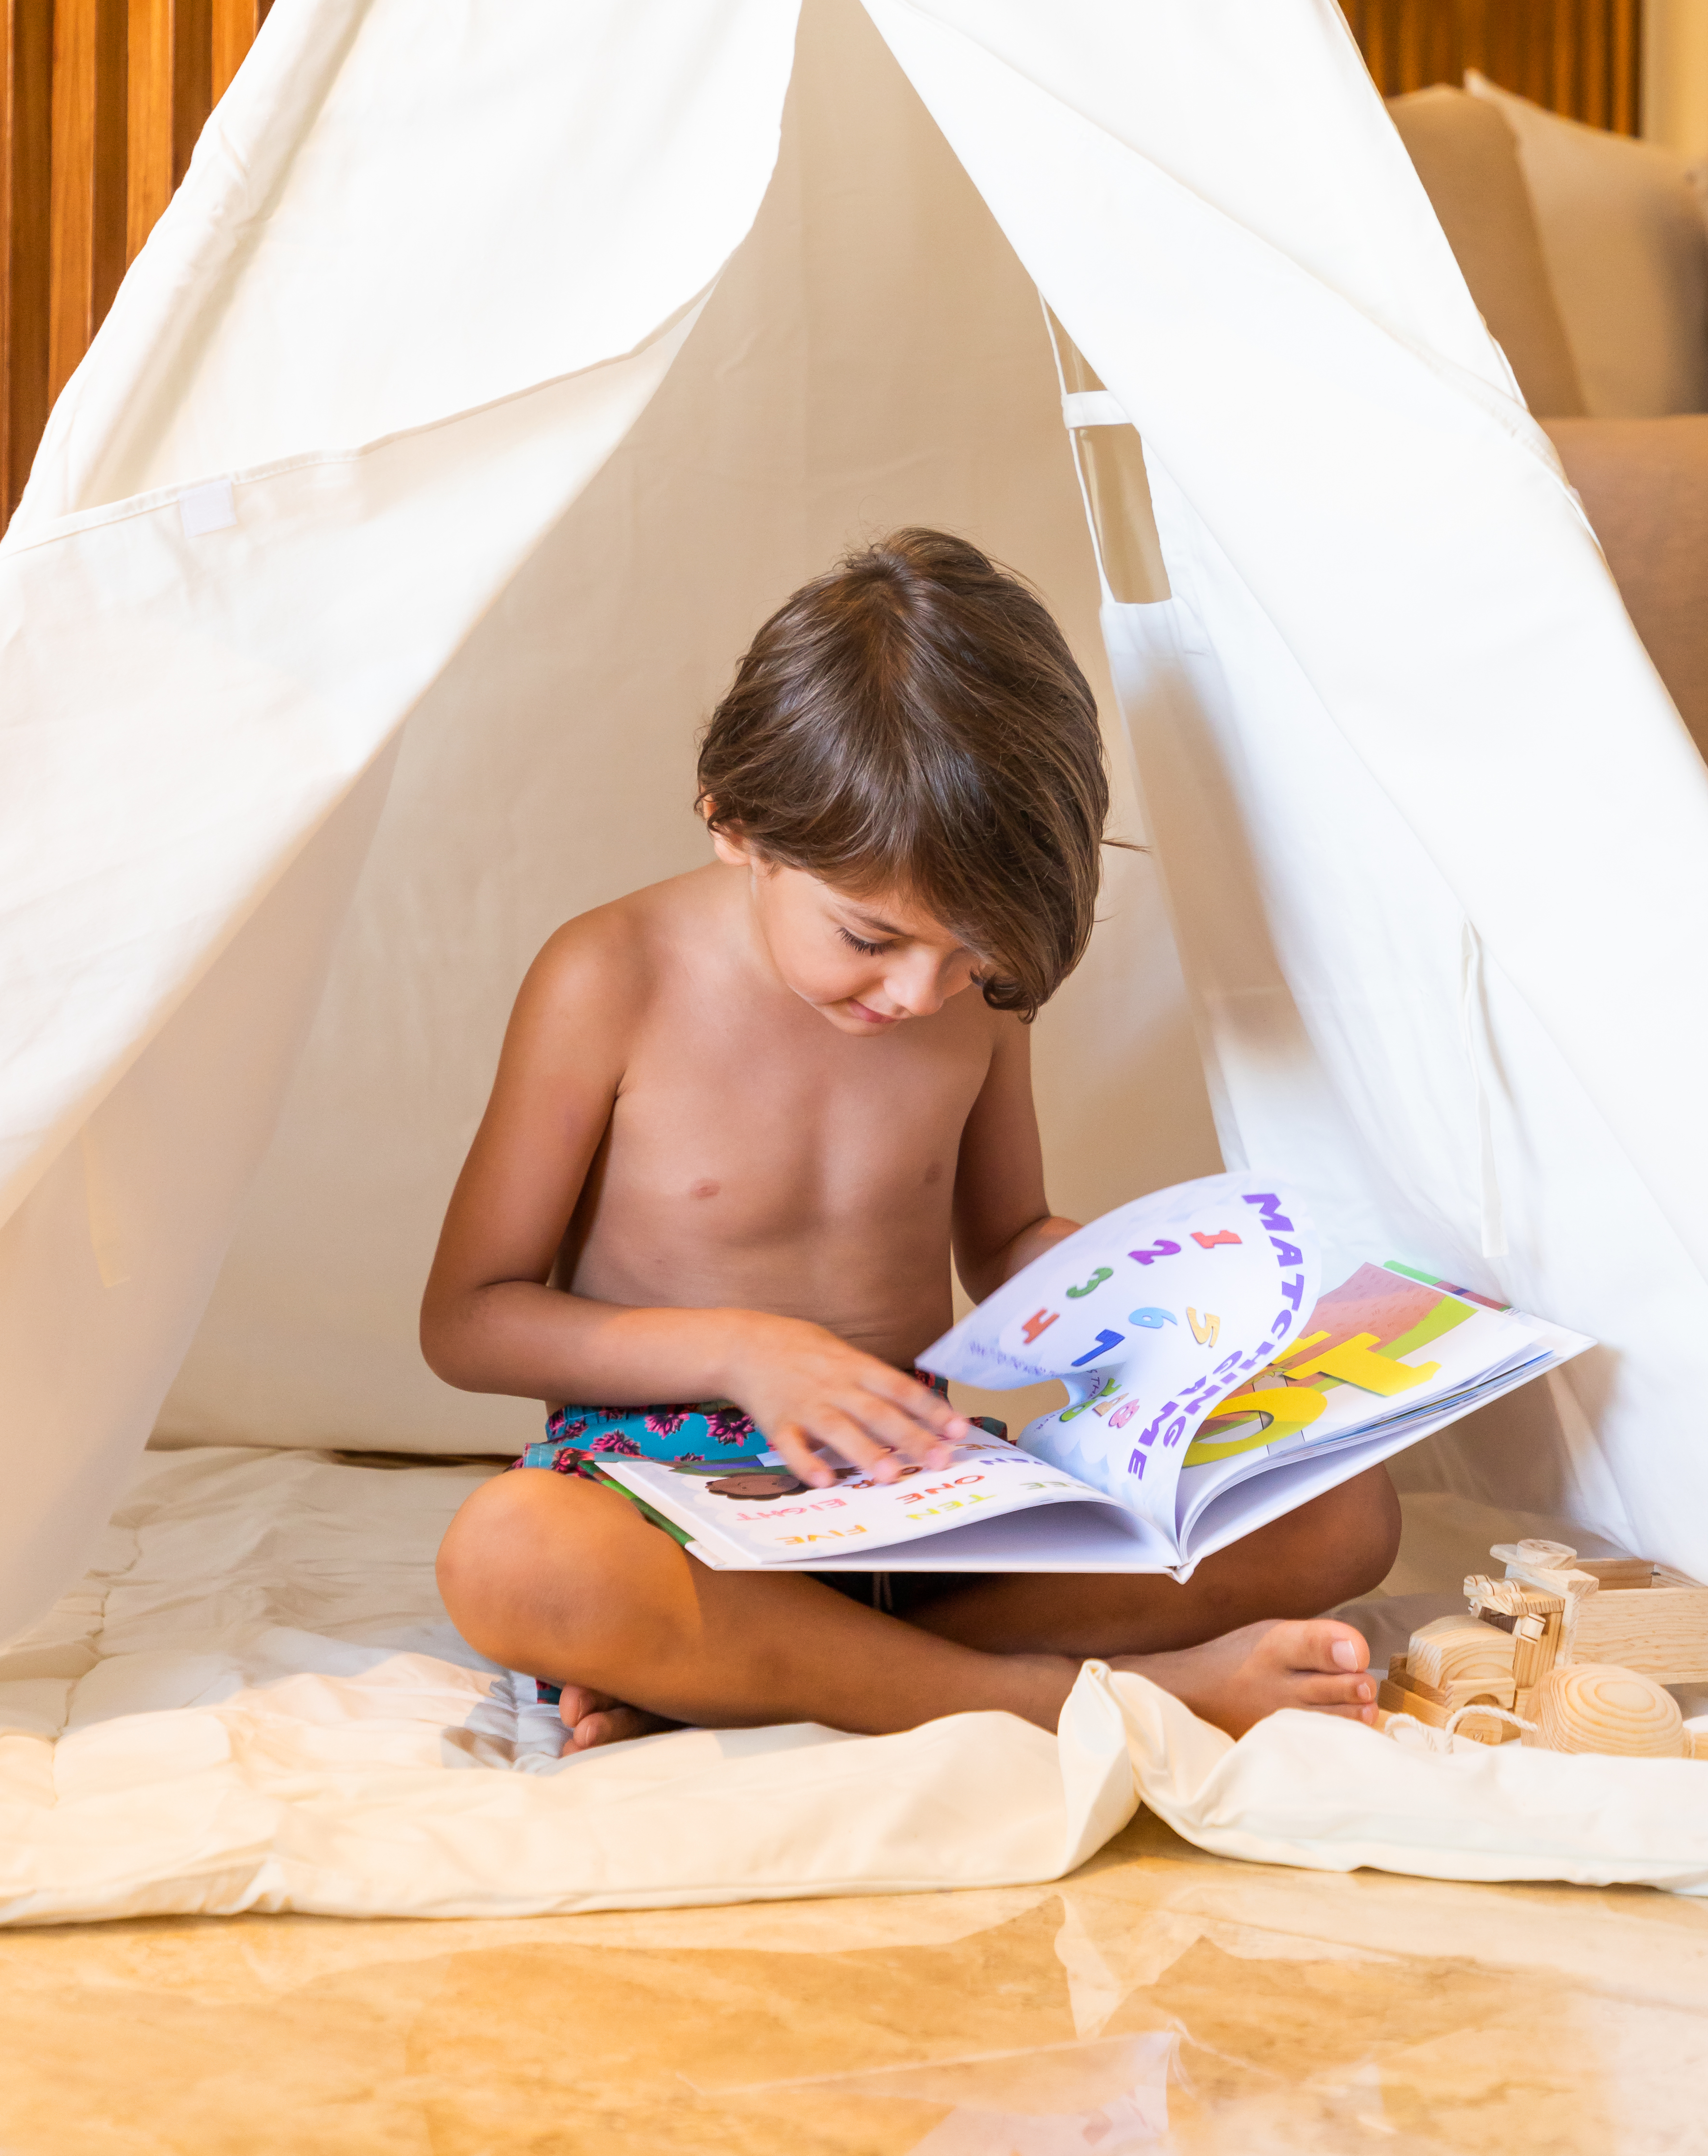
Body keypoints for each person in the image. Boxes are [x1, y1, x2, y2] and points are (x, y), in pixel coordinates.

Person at [425, 529, 1398, 1753]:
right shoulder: (607, 976)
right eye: (870, 937)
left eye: (970, 954)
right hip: (670, 1497)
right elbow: (468, 1316)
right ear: (737, 823)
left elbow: (1006, 1239)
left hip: (918, 1500)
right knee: (513, 1553)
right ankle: (1083, 1695)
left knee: (1343, 1507)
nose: (918, 994)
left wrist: (1198, 1303)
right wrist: (745, 1352)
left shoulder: (966, 1000)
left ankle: (754, 1668)